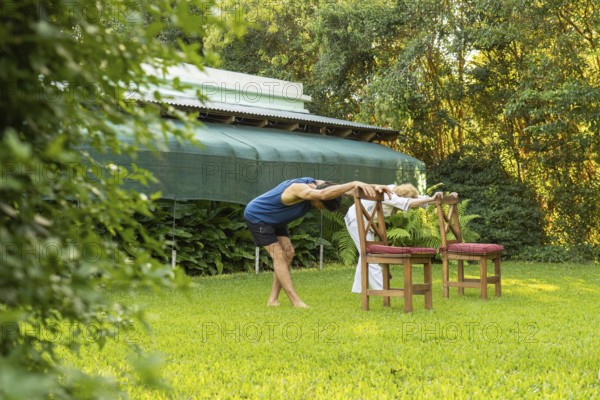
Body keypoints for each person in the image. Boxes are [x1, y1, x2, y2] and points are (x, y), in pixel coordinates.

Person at [244, 177, 392, 308]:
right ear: (318, 200)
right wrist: (354, 182)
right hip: (259, 216)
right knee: (279, 256)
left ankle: (272, 300)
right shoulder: (299, 189)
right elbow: (324, 194)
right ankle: (296, 302)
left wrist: (377, 187)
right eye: (321, 206)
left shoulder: (320, 184)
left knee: (288, 253)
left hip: (277, 220)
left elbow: (347, 190)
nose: (320, 208)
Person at [344, 183, 442, 294]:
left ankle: (358, 289)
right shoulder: (390, 196)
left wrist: (434, 198)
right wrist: (430, 199)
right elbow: (409, 203)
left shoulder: (395, 190)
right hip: (355, 221)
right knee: (369, 256)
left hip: (365, 223)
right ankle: (382, 290)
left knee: (364, 254)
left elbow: (414, 199)